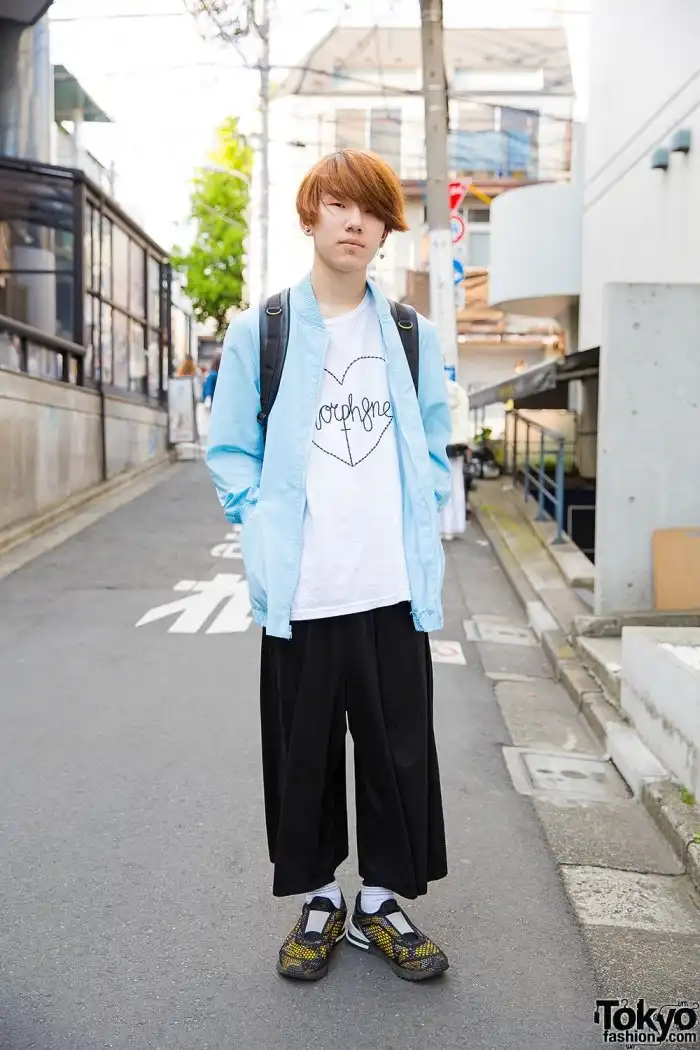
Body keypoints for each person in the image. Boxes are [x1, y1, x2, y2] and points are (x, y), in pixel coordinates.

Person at [206, 148, 452, 983]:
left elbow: (436, 446)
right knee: (302, 756)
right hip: (303, 591)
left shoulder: (411, 335)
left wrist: (422, 516)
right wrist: (263, 523)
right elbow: (230, 449)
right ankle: (319, 900)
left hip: (391, 587)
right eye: (339, 204)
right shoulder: (263, 330)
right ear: (310, 215)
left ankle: (380, 902)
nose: (355, 222)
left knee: (397, 755)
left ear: (386, 230)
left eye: (372, 210)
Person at [440, 377, 470, 541]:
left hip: (440, 444)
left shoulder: (435, 391)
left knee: (439, 485)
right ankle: (454, 526)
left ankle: (441, 527)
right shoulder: (460, 392)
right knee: (456, 486)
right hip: (457, 445)